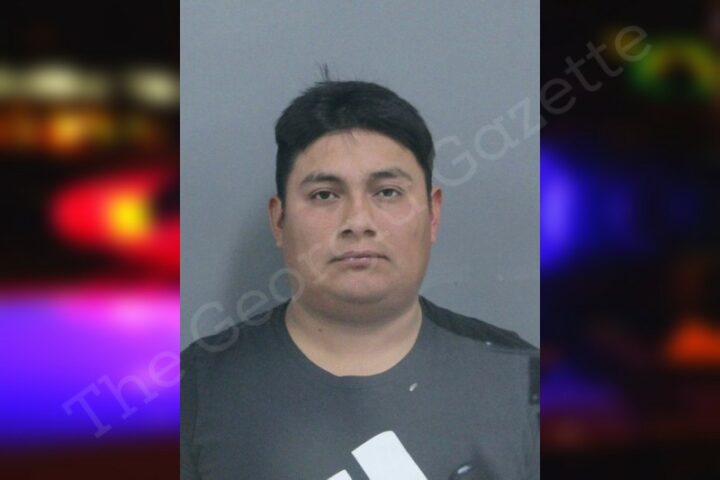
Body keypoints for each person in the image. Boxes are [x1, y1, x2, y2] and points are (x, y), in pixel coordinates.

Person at [181, 79, 539, 480]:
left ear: (433, 214)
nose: (358, 221)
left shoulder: (521, 381)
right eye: (324, 195)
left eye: (387, 192)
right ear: (279, 221)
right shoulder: (193, 392)